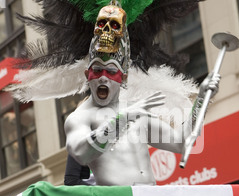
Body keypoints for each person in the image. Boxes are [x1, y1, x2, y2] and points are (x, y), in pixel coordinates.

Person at [64, 54, 219, 186]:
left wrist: (202, 100)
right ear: (87, 75)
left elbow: (182, 144)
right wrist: (122, 119)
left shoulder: (137, 110)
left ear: (122, 78)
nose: (103, 77)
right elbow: (81, 153)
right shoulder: (80, 117)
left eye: (111, 71)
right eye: (97, 71)